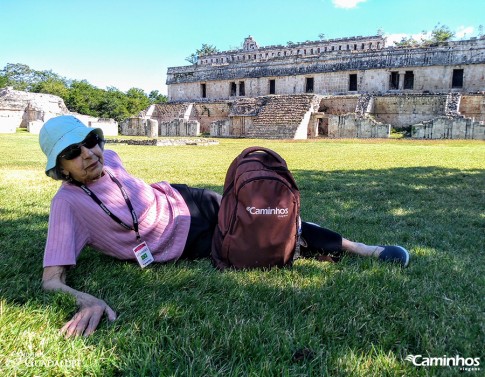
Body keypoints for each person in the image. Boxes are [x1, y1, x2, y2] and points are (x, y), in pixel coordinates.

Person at [39, 115, 410, 337]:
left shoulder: (113, 157)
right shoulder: (67, 204)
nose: (88, 154)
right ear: (61, 168)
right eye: (73, 153)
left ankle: (363, 249)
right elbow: (51, 279)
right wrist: (88, 300)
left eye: (90, 142)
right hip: (182, 242)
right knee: (256, 236)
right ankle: (349, 249)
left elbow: (133, 193)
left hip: (186, 200)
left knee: (264, 216)